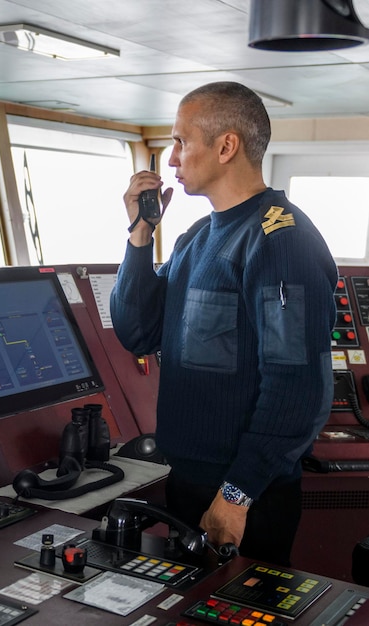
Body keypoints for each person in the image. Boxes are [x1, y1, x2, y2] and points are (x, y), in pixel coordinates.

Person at [110, 81, 337, 566]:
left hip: (245, 493)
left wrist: (236, 495)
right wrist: (139, 234)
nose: (170, 160)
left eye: (180, 142)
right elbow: (137, 332)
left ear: (226, 145)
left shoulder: (279, 241)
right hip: (189, 480)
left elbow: (295, 390)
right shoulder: (195, 237)